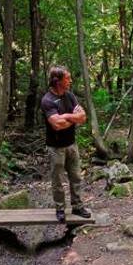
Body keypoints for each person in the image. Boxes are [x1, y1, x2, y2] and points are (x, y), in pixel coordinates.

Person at [40, 66, 91, 222]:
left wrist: (66, 117)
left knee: (76, 177)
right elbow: (56, 125)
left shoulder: (70, 96)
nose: (70, 81)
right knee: (58, 180)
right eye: (67, 78)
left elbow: (83, 117)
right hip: (56, 148)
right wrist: (72, 117)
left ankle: (77, 206)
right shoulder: (47, 100)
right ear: (57, 81)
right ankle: (60, 209)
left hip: (71, 144)